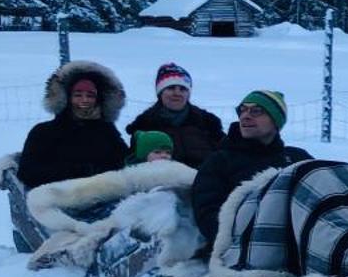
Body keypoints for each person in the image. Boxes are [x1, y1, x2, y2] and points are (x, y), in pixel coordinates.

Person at [190, 90, 313, 246]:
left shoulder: (297, 158)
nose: (245, 116)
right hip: (243, 250)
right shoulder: (220, 161)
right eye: (242, 110)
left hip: (301, 246)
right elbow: (208, 215)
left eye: (256, 111)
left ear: (276, 121)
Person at [17, 61, 130, 189]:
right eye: (78, 95)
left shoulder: (107, 130)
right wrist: (77, 172)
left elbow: (125, 162)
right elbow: (27, 173)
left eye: (90, 95)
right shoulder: (44, 132)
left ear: (99, 99)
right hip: (58, 200)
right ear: (66, 97)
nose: (84, 100)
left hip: (107, 198)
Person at [125, 62, 225, 169]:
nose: (177, 93)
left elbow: (225, 156)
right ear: (160, 93)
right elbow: (135, 165)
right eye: (171, 88)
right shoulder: (145, 126)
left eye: (183, 89)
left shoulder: (208, 123)